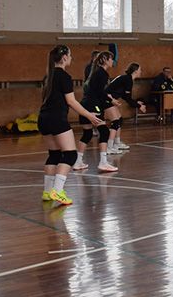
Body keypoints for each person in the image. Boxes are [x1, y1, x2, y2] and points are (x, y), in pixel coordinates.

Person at [39, 45, 104, 206]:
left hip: (43, 119)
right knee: (70, 155)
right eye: (70, 55)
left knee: (54, 155)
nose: (71, 58)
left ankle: (47, 192)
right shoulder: (64, 76)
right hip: (57, 119)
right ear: (64, 58)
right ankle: (57, 191)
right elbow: (71, 102)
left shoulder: (48, 76)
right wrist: (89, 115)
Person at [74, 51, 118, 173]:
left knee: (87, 134)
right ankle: (103, 162)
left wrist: (108, 98)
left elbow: (97, 91)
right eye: (111, 59)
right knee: (104, 131)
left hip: (85, 104)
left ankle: (78, 162)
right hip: (93, 105)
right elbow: (100, 93)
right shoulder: (102, 73)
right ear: (105, 60)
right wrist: (110, 100)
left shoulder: (95, 72)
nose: (112, 61)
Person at [107, 62, 147, 146]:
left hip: (111, 100)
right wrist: (139, 106)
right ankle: (109, 146)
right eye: (140, 70)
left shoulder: (127, 79)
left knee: (119, 120)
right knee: (116, 122)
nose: (141, 72)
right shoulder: (127, 80)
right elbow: (128, 99)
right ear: (135, 71)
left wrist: (136, 102)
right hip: (107, 100)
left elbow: (125, 96)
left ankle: (117, 143)